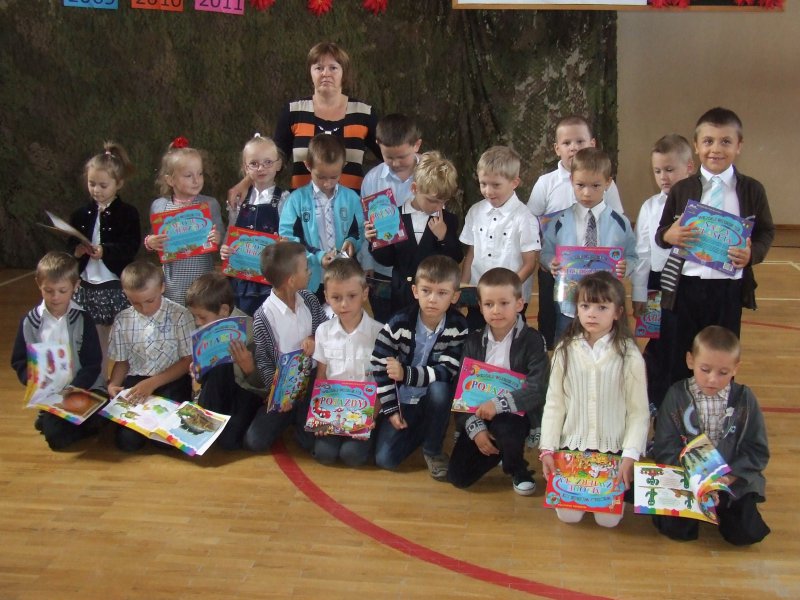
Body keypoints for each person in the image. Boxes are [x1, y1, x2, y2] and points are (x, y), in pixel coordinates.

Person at [655, 107, 775, 389]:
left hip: (727, 290)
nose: (716, 149)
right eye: (708, 141)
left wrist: (752, 255)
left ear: (739, 146)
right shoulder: (682, 189)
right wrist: (670, 235)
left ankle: (719, 410)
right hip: (685, 287)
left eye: (726, 141)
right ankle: (679, 412)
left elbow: (766, 232)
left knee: (721, 357)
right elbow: (661, 234)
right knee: (680, 356)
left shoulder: (752, 190)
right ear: (696, 146)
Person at [539, 271, 649, 527]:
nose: (592, 314)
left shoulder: (629, 355)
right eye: (585, 306)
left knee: (608, 521)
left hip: (612, 450)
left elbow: (638, 412)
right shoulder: (564, 351)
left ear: (617, 312)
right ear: (576, 309)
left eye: (602, 307)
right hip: (572, 447)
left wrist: (630, 455)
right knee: (568, 516)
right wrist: (548, 449)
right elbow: (554, 404)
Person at [653, 325, 770, 545]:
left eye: (723, 373)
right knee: (677, 530)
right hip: (689, 478)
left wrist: (728, 478)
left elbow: (757, 450)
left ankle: (722, 508)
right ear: (690, 361)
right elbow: (664, 446)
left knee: (744, 534)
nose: (713, 379)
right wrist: (698, 478)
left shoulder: (745, 399)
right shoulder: (676, 395)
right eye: (705, 369)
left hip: (731, 481)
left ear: (736, 368)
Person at [227, 41, 380, 202]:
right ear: (310, 72)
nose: (325, 73)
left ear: (344, 72)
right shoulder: (294, 112)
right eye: (319, 68)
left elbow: (388, 156)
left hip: (350, 208)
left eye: (333, 68)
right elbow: (275, 158)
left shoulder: (364, 113)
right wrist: (246, 183)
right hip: (302, 208)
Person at [447, 268, 549, 495]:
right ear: (480, 306)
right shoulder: (473, 341)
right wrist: (475, 429)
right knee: (458, 477)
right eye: (489, 304)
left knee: (506, 428)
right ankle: (500, 450)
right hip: (478, 413)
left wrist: (498, 404)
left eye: (504, 303)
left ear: (519, 304)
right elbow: (460, 391)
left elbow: (537, 388)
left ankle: (517, 467)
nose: (496, 310)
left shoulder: (532, 340)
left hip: (516, 414)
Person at [527, 115, 625, 348]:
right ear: (557, 148)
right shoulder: (546, 183)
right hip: (555, 271)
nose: (573, 148)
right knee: (552, 321)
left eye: (580, 141)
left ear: (592, 143)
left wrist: (616, 257)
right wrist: (545, 257)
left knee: (594, 320)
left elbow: (618, 223)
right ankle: (554, 359)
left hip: (596, 270)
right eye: (567, 143)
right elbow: (530, 221)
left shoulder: (607, 184)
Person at [370, 255, 469, 480]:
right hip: (402, 398)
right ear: (415, 291)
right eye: (426, 291)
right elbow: (380, 367)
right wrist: (391, 410)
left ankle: (433, 449)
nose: (432, 299)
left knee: (440, 388)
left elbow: (448, 370)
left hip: (432, 396)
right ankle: (426, 427)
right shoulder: (398, 323)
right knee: (385, 459)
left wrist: (406, 374)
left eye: (442, 293)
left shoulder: (458, 327)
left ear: (455, 296)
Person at [11, 252, 105, 450]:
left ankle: (57, 419)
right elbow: (19, 361)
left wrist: (74, 389)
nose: (55, 297)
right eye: (49, 290)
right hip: (51, 394)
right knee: (57, 440)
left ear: (75, 286)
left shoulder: (83, 319)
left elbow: (92, 364)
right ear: (38, 284)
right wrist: (33, 382)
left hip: (84, 389)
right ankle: (51, 418)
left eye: (62, 291)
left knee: (102, 418)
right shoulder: (29, 322)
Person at [541, 147, 637, 343]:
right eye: (580, 185)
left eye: (595, 186)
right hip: (569, 305)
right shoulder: (559, 221)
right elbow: (546, 252)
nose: (587, 193)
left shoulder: (620, 223)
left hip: (605, 304)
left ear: (608, 183)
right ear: (571, 181)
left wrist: (626, 266)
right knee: (566, 347)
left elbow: (632, 255)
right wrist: (551, 262)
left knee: (608, 347)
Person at [243, 242, 328, 453]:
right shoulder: (264, 317)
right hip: (283, 387)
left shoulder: (309, 299)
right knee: (255, 441)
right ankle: (290, 414)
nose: (309, 272)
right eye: (305, 268)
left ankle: (300, 416)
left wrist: (314, 338)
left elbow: (326, 330)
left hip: (313, 379)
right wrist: (279, 396)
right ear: (291, 280)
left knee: (311, 443)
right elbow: (264, 362)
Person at [631, 135, 695, 413]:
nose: (663, 177)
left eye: (669, 169)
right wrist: (639, 293)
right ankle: (655, 401)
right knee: (659, 346)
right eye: (657, 171)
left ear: (689, 167)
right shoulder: (650, 207)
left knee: (685, 345)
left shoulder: (700, 207)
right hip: (659, 285)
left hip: (689, 284)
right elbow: (642, 253)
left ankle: (685, 404)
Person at [107, 261, 194, 452]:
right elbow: (122, 361)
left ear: (162, 287)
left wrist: (153, 383)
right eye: (135, 303)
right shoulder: (122, 320)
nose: (144, 309)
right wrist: (113, 384)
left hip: (172, 379)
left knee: (164, 441)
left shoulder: (180, 315)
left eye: (150, 301)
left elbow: (187, 360)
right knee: (127, 443)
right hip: (137, 380)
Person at [68, 141, 141, 365]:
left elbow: (131, 246)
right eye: (92, 184)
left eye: (103, 185)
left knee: (124, 338)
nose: (96, 190)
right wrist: (77, 251)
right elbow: (70, 244)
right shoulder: (80, 214)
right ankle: (97, 380)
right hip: (87, 283)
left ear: (119, 184)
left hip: (115, 283)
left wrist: (105, 251)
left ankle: (125, 379)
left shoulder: (128, 213)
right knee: (93, 341)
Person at [367, 151, 462, 316]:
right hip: (401, 297)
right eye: (432, 200)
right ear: (414, 188)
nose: (438, 207)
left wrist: (444, 237)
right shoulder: (394, 216)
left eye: (443, 202)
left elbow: (456, 258)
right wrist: (375, 240)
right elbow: (387, 260)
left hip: (434, 300)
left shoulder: (448, 220)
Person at [460, 146, 540, 331]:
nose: (488, 191)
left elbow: (529, 263)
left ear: (514, 182)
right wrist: (462, 286)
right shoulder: (475, 211)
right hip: (478, 295)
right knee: (475, 335)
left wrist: (508, 289)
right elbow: (471, 254)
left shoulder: (525, 218)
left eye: (496, 185)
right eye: (483, 184)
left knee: (511, 338)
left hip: (509, 299)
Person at [311, 258, 382, 466]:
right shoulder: (323, 331)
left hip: (365, 410)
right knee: (324, 454)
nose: (344, 304)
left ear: (365, 293)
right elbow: (321, 376)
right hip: (333, 409)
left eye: (352, 296)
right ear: (326, 297)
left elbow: (383, 381)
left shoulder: (379, 332)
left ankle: (373, 436)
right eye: (336, 297)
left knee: (352, 456)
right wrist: (320, 416)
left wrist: (372, 416)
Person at [185, 273, 265, 451]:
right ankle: (205, 420)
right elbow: (202, 380)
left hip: (247, 390)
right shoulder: (203, 331)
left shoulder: (250, 329)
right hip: (217, 389)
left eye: (202, 317)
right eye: (195, 317)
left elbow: (262, 384)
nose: (198, 322)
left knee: (229, 442)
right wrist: (197, 370)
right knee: (218, 369)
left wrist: (249, 367)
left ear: (223, 310)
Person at [279, 134, 363, 299]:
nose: (327, 183)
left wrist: (352, 242)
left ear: (343, 166)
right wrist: (317, 256)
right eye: (321, 177)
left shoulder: (352, 198)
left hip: (342, 279)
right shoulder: (296, 200)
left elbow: (359, 230)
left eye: (334, 177)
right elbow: (288, 239)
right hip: (308, 280)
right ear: (308, 166)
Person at [144, 138, 224, 306]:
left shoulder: (210, 204)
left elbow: (222, 238)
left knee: (203, 316)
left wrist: (217, 238)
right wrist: (151, 242)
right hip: (174, 284)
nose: (196, 180)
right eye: (188, 176)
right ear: (170, 180)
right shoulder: (160, 206)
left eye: (200, 174)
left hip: (204, 281)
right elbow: (153, 237)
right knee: (177, 318)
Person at [359, 113, 423, 322]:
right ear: (378, 145)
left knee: (419, 322)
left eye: (401, 157)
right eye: (388, 157)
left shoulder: (431, 174)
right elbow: (364, 224)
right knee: (385, 324)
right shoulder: (372, 180)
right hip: (383, 270)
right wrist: (367, 262)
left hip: (421, 270)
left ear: (416, 145)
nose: (395, 163)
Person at [222, 134, 289, 316]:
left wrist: (284, 245)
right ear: (245, 167)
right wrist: (225, 250)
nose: (261, 168)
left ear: (278, 164)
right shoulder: (238, 199)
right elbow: (231, 233)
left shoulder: (285, 199)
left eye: (268, 162)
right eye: (254, 163)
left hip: (270, 281)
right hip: (240, 280)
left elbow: (288, 239)